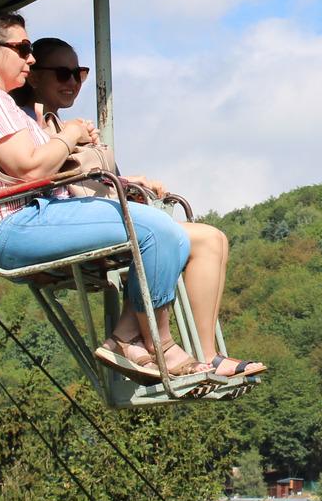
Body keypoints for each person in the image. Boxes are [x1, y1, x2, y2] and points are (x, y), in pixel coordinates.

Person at [0, 13, 252, 384]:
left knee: (195, 237)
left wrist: (114, 176)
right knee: (158, 231)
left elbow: (43, 170)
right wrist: (69, 135)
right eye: (23, 49)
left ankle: (171, 348)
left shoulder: (5, 106)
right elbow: (29, 168)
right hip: (17, 223)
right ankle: (160, 345)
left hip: (43, 212)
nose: (29, 59)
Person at [15, 35, 263, 381]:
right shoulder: (32, 127)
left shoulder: (63, 126)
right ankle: (153, 342)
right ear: (33, 75)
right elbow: (42, 176)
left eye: (79, 73)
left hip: (99, 213)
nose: (72, 82)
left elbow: (85, 176)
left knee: (213, 239)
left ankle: (200, 353)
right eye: (61, 73)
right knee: (188, 238)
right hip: (69, 224)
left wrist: (132, 182)